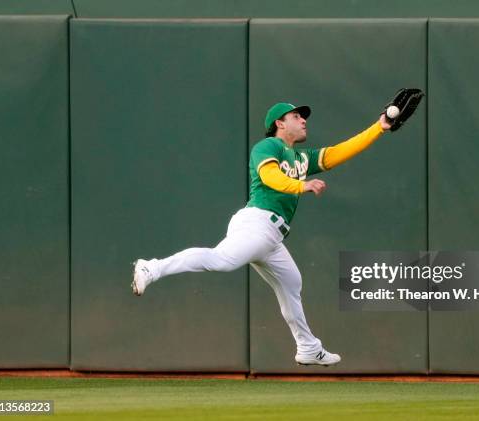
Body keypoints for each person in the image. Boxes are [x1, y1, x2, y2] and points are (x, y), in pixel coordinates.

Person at [132, 102, 392, 366]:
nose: (303, 120)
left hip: (272, 237)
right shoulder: (268, 147)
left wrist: (378, 128)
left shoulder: (301, 158)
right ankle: (152, 268)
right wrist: (301, 185)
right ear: (280, 123)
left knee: (292, 282)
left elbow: (339, 152)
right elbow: (269, 177)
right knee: (222, 260)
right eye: (296, 116)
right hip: (257, 223)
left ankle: (308, 347)